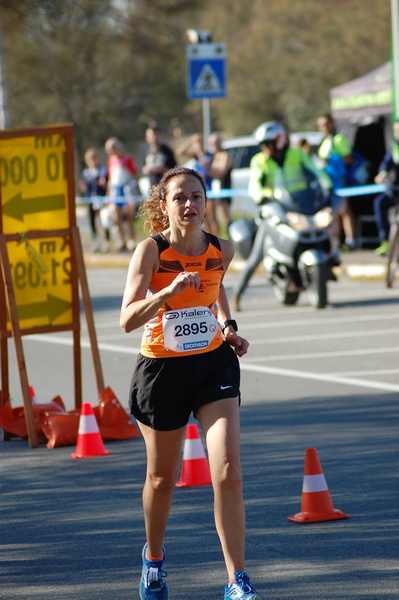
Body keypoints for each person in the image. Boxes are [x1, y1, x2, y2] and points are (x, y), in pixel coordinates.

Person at [120, 166, 262, 600]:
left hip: (212, 365)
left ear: (206, 201)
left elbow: (215, 286)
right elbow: (127, 319)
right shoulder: (151, 252)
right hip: (162, 371)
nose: (190, 204)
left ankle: (237, 580)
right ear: (164, 206)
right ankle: (155, 560)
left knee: (227, 471)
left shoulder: (223, 248)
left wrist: (228, 324)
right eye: (179, 197)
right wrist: (166, 293)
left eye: (196, 196)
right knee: (163, 478)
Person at [231, 121, 331, 312]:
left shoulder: (296, 154)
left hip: (300, 206)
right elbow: (255, 184)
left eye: (268, 143)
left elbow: (315, 171)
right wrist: (261, 195)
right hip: (273, 209)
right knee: (256, 256)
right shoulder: (260, 160)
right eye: (263, 144)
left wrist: (326, 186)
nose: (265, 147)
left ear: (280, 140)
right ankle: (237, 295)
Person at [317, 113, 356, 251]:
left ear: (332, 124)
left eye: (325, 124)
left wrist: (333, 161)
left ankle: (350, 240)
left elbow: (348, 159)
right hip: (328, 184)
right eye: (321, 125)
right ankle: (336, 242)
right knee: (332, 214)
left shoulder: (338, 139)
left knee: (344, 211)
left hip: (339, 182)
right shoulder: (324, 141)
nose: (323, 127)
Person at [105, 137, 140, 252]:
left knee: (128, 216)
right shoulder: (111, 160)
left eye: (114, 148)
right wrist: (109, 193)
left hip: (127, 190)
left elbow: (134, 174)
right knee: (116, 216)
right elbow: (111, 178)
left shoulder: (127, 159)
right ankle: (121, 240)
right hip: (116, 191)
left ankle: (131, 240)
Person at [373, 119, 399, 256]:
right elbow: (386, 163)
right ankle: (385, 242)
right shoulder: (394, 147)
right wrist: (382, 174)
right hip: (395, 189)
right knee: (379, 203)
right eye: (396, 130)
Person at [79, 148, 109, 252]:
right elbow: (84, 187)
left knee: (103, 220)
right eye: (90, 159)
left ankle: (107, 241)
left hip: (101, 199)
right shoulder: (86, 173)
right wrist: (83, 188)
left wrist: (104, 184)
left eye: (94, 158)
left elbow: (105, 184)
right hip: (90, 200)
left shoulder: (103, 170)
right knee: (92, 221)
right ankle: (96, 242)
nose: (93, 161)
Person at [208, 132, 233, 236]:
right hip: (213, 190)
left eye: (216, 142)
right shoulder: (212, 156)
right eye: (213, 143)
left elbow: (222, 172)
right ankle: (216, 241)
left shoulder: (225, 155)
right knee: (212, 217)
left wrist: (208, 170)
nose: (215, 145)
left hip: (224, 189)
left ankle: (230, 238)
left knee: (226, 217)